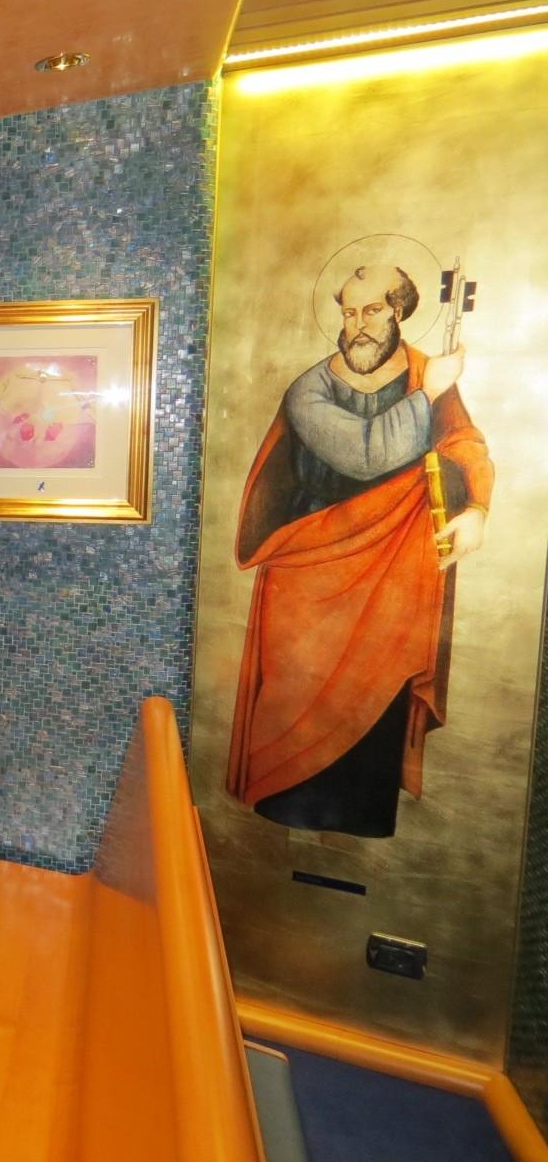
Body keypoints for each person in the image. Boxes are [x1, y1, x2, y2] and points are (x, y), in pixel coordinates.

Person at [227, 264, 493, 837]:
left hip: (392, 569)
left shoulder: (424, 372)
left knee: (376, 697)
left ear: (398, 311)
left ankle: (362, 825)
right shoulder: (311, 389)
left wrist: (477, 507)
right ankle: (286, 815)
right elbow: (365, 454)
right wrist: (428, 393)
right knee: (295, 702)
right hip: (310, 564)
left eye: (371, 310)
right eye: (349, 312)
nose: (358, 325)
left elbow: (463, 441)